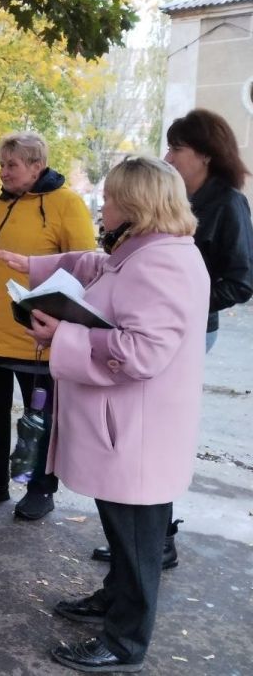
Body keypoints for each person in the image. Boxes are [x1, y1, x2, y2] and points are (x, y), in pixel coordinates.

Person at [0, 155, 209, 672]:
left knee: (137, 545)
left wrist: (62, 336)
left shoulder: (162, 263)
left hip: (139, 435)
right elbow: (98, 266)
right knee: (122, 531)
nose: (103, 205)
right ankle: (112, 603)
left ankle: (125, 640)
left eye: (111, 198)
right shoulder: (146, 249)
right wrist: (39, 266)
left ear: (136, 206)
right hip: (130, 430)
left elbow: (143, 353)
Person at [89, 109, 253, 569]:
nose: (168, 155)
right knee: (136, 433)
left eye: (177, 147)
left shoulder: (228, 203)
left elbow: (241, 280)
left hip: (187, 331)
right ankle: (142, 538)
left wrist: (181, 307)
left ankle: (154, 539)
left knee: (147, 435)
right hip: (151, 324)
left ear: (204, 153)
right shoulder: (174, 194)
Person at [0, 131, 95, 520]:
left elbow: (85, 270)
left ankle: (41, 488)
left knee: (39, 420)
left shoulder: (65, 204)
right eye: (1, 164)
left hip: (36, 341)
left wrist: (65, 328)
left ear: (37, 165)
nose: (3, 172)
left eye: (11, 165)